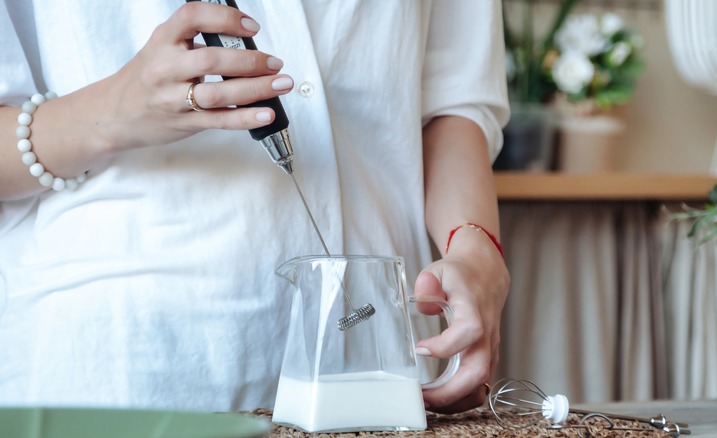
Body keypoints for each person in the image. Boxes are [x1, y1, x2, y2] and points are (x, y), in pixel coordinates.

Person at [0, 0, 510, 413]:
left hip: (377, 353)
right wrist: (117, 108)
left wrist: (473, 246)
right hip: (130, 367)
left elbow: (451, 100)